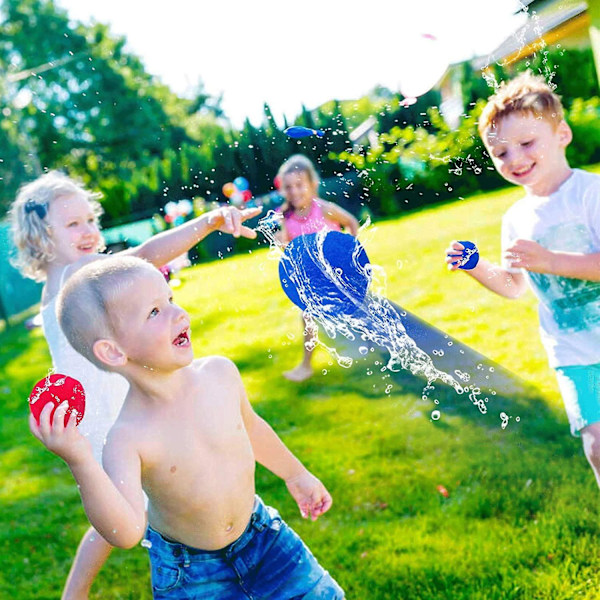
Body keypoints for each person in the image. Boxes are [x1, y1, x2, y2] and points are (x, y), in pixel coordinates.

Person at [29, 255, 344, 599]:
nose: (178, 314)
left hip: (263, 538)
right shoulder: (127, 437)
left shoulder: (219, 374)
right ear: (113, 351)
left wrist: (296, 475)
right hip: (190, 575)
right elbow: (127, 531)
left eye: (171, 300)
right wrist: (81, 462)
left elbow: (251, 429)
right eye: (154, 312)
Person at [9, 170, 261, 599]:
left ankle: (78, 593)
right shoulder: (79, 273)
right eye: (73, 224)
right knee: (136, 509)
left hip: (99, 414)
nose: (89, 231)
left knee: (124, 513)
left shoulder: (58, 283)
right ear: (39, 237)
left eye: (91, 220)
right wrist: (208, 223)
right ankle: (196, 557)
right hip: (111, 418)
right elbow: (144, 258)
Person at [445, 71, 600, 487]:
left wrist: (550, 260)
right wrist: (476, 266)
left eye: (527, 144)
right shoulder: (515, 218)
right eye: (500, 153)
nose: (514, 160)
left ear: (562, 134)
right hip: (572, 352)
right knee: (597, 445)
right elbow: (514, 286)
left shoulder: (590, 193)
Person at [275, 155, 359, 382]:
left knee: (358, 313)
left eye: (300, 185)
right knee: (307, 316)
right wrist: (281, 245)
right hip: (313, 278)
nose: (294, 192)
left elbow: (351, 222)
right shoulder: (287, 219)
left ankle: (372, 349)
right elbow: (289, 251)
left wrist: (352, 255)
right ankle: (306, 365)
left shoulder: (323, 209)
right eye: (289, 187)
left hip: (338, 273)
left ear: (313, 185)